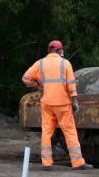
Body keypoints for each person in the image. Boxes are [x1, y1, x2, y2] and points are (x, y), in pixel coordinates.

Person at [22, 40, 93, 170]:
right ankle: (77, 162)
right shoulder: (65, 63)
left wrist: (38, 86)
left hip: (47, 103)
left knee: (47, 132)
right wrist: (74, 101)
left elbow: (26, 78)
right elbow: (71, 84)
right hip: (63, 104)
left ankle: (47, 163)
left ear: (49, 50)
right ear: (60, 50)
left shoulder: (40, 63)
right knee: (69, 132)